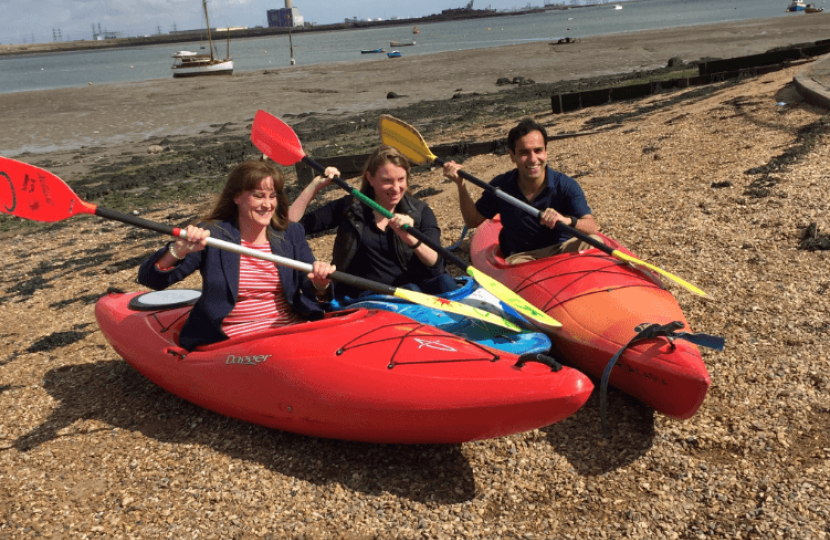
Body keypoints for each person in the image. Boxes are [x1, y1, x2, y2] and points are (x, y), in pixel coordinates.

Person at [138, 159, 336, 350]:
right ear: (236, 197)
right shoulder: (213, 235)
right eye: (258, 196)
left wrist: (320, 284)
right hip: (234, 340)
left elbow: (315, 293)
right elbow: (151, 280)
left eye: (272, 196)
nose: (267, 204)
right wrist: (178, 251)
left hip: (288, 330)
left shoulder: (290, 233)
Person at [288, 145, 457, 301]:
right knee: (409, 291)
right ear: (370, 177)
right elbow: (289, 226)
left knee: (445, 282)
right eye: (387, 181)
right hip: (364, 296)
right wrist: (315, 186)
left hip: (414, 291)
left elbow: (435, 263)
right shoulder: (350, 208)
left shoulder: (420, 211)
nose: (396, 188)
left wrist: (411, 238)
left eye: (401, 179)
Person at [442, 118, 603, 264]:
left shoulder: (565, 185)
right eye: (524, 152)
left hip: (561, 248)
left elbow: (591, 227)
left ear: (546, 152)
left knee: (595, 241)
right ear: (512, 156)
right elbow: (472, 221)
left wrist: (567, 220)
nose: (533, 159)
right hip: (524, 256)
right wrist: (460, 185)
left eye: (538, 150)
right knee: (516, 264)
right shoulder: (501, 186)